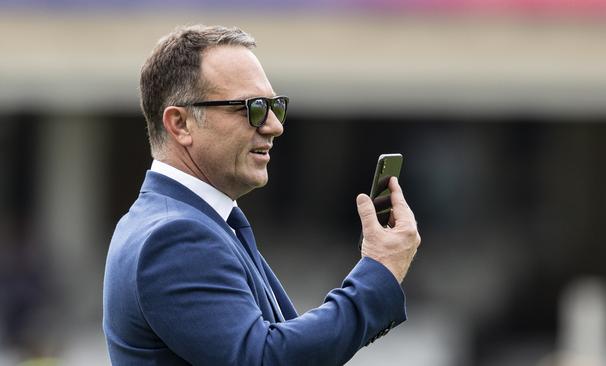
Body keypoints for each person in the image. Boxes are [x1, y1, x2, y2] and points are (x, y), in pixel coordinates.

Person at [102, 24, 421, 366]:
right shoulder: (175, 236)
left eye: (275, 106)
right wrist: (378, 272)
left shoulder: (191, 222)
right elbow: (264, 359)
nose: (274, 125)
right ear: (180, 124)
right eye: (252, 108)